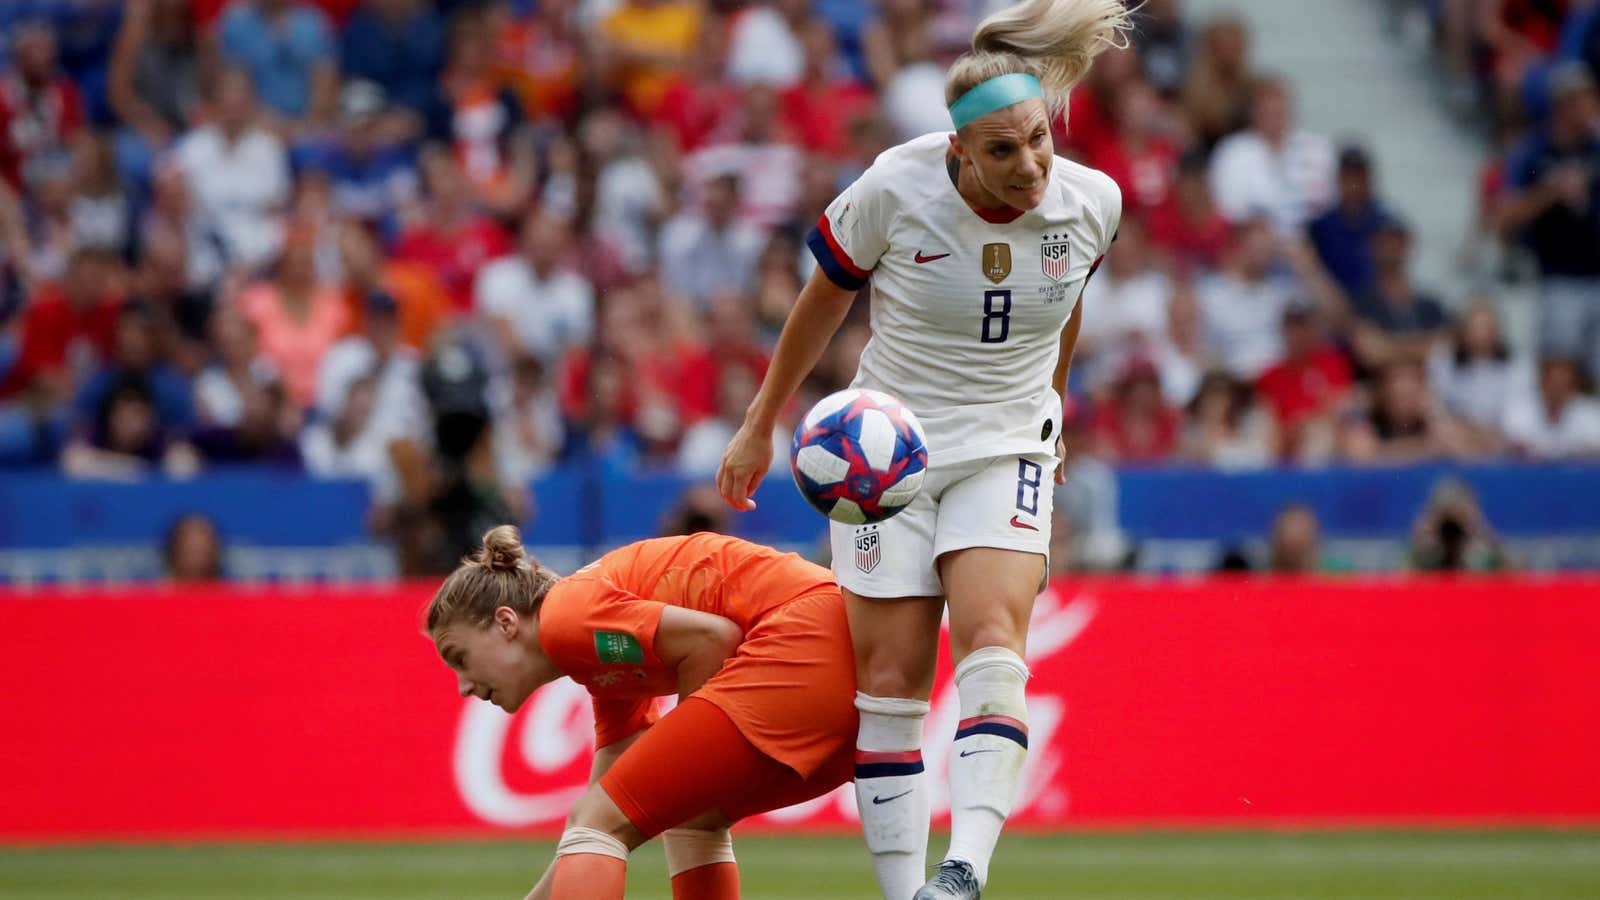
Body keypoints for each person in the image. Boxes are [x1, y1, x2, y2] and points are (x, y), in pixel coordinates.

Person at [715, 2, 1132, 897]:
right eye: (1002, 151)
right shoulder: (894, 189)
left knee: (992, 643)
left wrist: (1054, 405)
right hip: (888, 459)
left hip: (1007, 444)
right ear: (958, 155)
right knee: (893, 686)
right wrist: (761, 420)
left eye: (1036, 142)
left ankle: (963, 873)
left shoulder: (1093, 202)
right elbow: (822, 301)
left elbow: (1064, 305)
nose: (1029, 167)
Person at [425, 526, 859, 900]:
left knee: (610, 819)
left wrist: (690, 762)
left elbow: (712, 638)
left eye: (459, 657)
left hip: (803, 641)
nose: (463, 686)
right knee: (692, 821)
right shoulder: (593, 659)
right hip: (844, 654)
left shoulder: (566, 619)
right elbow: (592, 818)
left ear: (505, 623)